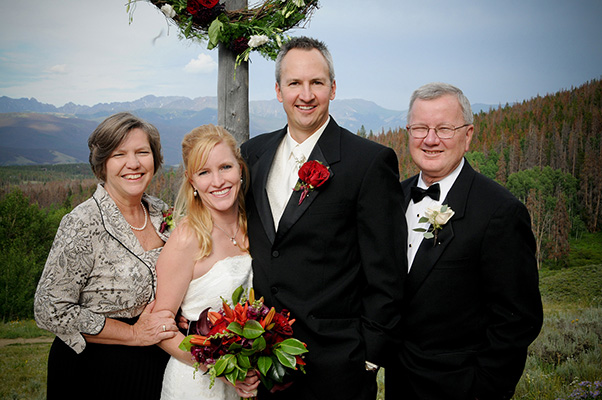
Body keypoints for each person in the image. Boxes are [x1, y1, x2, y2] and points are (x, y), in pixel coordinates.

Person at [240, 36, 406, 400]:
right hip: (262, 360)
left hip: (337, 366)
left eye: (316, 82)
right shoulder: (253, 153)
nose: (306, 94)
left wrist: (368, 358)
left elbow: (387, 273)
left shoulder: (369, 162)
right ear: (278, 90)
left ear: (333, 88)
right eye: (294, 83)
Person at [386, 82, 543, 400]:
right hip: (398, 386)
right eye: (420, 128)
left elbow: (518, 320)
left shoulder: (499, 211)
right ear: (408, 132)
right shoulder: (392, 198)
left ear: (468, 135)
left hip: (461, 389)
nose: (430, 140)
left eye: (444, 128)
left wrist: (483, 389)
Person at [34, 112, 178, 399]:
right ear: (102, 164)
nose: (133, 163)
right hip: (95, 369)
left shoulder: (163, 213)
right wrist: (134, 335)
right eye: (119, 154)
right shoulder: (83, 223)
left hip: (155, 365)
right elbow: (50, 309)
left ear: (155, 159)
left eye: (142, 152)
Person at [153, 125, 259, 399]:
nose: (218, 181)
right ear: (191, 181)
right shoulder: (187, 238)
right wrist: (220, 369)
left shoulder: (255, 227)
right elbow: (162, 327)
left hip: (246, 382)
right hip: (195, 384)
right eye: (204, 172)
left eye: (225, 167)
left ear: (240, 169)